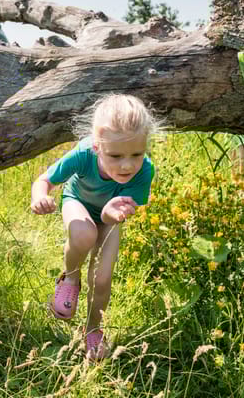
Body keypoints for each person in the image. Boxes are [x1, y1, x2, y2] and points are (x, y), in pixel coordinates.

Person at [30, 94, 163, 361]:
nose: (127, 165)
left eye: (136, 154)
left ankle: (93, 329)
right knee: (84, 234)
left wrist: (109, 214)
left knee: (102, 278)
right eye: (115, 155)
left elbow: (116, 214)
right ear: (97, 146)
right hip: (77, 201)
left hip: (111, 217)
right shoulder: (83, 153)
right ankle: (70, 277)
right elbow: (44, 180)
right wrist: (39, 197)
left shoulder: (144, 171)